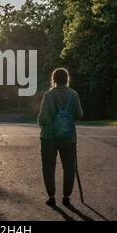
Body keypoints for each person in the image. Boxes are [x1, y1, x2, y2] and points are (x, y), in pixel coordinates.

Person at [37, 68, 84, 207]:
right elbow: (80, 115)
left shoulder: (48, 95)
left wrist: (46, 124)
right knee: (69, 168)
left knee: (48, 167)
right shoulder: (74, 95)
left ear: (54, 79)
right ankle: (66, 197)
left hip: (48, 138)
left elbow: (42, 119)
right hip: (68, 138)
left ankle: (51, 196)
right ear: (67, 79)